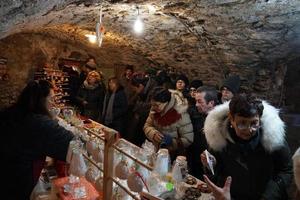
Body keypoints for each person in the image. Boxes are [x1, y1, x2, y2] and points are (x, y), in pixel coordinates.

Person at [201, 94, 292, 200]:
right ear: (231, 119)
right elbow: (218, 174)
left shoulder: (273, 139)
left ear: (260, 119)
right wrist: (210, 166)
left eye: (254, 123)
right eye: (242, 123)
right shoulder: (218, 140)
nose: (249, 130)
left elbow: (286, 170)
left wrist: (269, 195)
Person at [0, 80, 74, 200]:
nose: (53, 104)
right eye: (51, 99)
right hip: (15, 184)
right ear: (41, 100)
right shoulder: (40, 123)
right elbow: (72, 144)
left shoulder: (11, 113)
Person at [143, 87, 193, 160]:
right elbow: (147, 125)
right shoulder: (154, 110)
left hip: (171, 156)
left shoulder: (180, 114)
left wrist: (171, 141)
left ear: (166, 102)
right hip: (155, 151)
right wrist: (153, 134)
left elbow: (188, 139)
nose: (153, 107)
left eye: (157, 105)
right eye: (152, 104)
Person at [187, 86, 218, 179]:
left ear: (211, 103)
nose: (196, 105)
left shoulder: (220, 123)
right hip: (193, 164)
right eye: (196, 101)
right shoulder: (194, 114)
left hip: (208, 171)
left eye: (199, 101)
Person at [126, 72, 157, 146]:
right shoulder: (143, 91)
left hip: (146, 124)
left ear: (140, 86)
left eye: (135, 89)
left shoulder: (153, 91)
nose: (135, 91)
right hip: (140, 120)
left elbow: (150, 106)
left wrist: (138, 107)